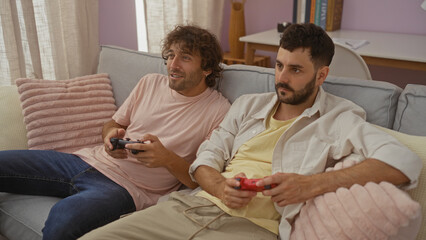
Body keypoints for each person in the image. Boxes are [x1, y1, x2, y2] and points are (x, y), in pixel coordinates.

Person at [79, 23, 422, 240]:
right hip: (185, 209)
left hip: (252, 229)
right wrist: (219, 187)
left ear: (321, 75)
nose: (282, 78)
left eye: (296, 70)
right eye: (279, 65)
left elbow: (403, 161)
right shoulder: (247, 105)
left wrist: (310, 185)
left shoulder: (341, 118)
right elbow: (205, 160)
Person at [0, 25, 231, 240]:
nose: (173, 64)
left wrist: (166, 158)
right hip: (84, 161)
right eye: (170, 55)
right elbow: (112, 123)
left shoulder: (219, 110)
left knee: (64, 217)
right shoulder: (150, 82)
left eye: (186, 57)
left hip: (126, 188)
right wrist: (109, 136)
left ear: (207, 68)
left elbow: (201, 179)